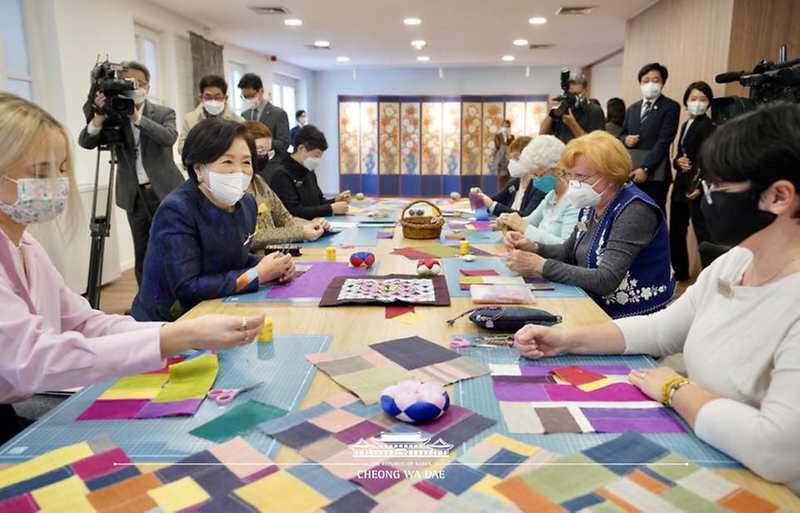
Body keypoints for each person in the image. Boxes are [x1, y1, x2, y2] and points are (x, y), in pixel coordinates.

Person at [512, 103, 800, 489]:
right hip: (707, 445)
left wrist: (673, 389)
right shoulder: (733, 263)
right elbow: (663, 329)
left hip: (763, 484)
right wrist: (564, 339)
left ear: (779, 196)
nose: (703, 196)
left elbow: (776, 452)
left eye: (717, 187)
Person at [0, 93, 264, 443]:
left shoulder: (27, 248)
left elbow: (85, 322)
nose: (57, 183)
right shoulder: (179, 207)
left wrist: (175, 336)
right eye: (40, 173)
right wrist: (178, 336)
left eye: (61, 170)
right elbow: (31, 360)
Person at [130, 118, 295, 322]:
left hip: (221, 309)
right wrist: (255, 275)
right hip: (171, 324)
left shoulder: (246, 204)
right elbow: (187, 286)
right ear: (199, 169)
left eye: (246, 162)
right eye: (227, 162)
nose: (239, 171)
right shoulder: (177, 210)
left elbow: (235, 257)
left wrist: (274, 265)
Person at [504, 131, 675, 319]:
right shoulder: (593, 203)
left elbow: (606, 279)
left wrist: (541, 266)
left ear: (611, 174)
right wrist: (534, 247)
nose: (573, 183)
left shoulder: (634, 211)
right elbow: (568, 251)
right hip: (593, 304)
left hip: (631, 319)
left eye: (580, 175)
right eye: (569, 175)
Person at [78, 61, 185, 286]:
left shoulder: (163, 112)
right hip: (133, 194)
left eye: (137, 83)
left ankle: (177, 296)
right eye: (127, 83)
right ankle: (146, 302)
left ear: (147, 86)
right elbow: (86, 141)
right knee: (142, 251)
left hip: (165, 191)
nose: (133, 87)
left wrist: (136, 117)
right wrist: (98, 117)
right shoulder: (112, 114)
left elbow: (168, 137)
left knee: (174, 245)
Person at [241, 121, 330, 247]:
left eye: (268, 152)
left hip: (274, 255)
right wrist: (300, 232)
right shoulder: (234, 188)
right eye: (260, 150)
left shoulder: (258, 182)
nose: (263, 157)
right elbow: (252, 237)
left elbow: (285, 218)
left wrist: (311, 224)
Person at [619, 62, 681, 215]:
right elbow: (621, 134)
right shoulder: (633, 108)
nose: (650, 84)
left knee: (653, 216)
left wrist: (646, 168)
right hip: (631, 173)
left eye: (655, 80)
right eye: (646, 81)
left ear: (663, 82)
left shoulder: (670, 107)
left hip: (655, 175)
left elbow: (664, 141)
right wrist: (625, 139)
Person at [497, 136, 580, 245]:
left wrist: (523, 227)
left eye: (537, 175)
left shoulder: (573, 200)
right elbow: (531, 221)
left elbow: (566, 247)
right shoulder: (551, 195)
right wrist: (509, 221)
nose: (535, 181)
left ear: (557, 170)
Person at [670, 81, 715, 281]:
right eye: (693, 99)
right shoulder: (685, 124)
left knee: (703, 233)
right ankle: (680, 272)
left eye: (703, 99)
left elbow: (710, 159)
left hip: (697, 186)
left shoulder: (709, 126)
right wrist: (677, 161)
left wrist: (701, 186)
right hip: (681, 184)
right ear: (686, 101)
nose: (698, 103)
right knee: (676, 232)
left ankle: (710, 275)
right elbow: (680, 154)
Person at [269, 125, 351, 220]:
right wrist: (331, 209)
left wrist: (335, 201)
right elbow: (293, 212)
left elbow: (318, 202)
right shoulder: (281, 175)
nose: (317, 161)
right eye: (316, 155)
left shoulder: (308, 171)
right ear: (301, 149)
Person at [469, 137, 546, 217]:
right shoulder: (514, 182)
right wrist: (481, 197)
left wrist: (492, 205)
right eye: (510, 158)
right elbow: (496, 201)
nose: (512, 162)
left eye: (516, 158)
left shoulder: (540, 186)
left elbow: (527, 216)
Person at [178, 75, 244, 155]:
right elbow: (182, 147)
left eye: (217, 97)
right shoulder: (190, 119)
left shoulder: (237, 121)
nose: (213, 101)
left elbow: (243, 148)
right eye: (208, 97)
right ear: (201, 98)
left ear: (225, 98)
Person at [539, 73, 606, 145]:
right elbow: (542, 135)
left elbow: (593, 145)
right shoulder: (563, 108)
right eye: (570, 94)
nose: (573, 97)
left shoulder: (594, 111)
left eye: (576, 93)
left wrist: (572, 124)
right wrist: (553, 111)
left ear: (585, 90)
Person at [238, 73, 290, 152]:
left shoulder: (278, 113)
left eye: (251, 96)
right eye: (245, 97)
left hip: (272, 161)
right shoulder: (244, 115)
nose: (249, 100)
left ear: (261, 91)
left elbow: (284, 143)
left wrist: (260, 144)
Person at [492, 119, 515, 189]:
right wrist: (504, 140)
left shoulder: (512, 137)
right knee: (501, 178)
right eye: (504, 126)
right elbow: (497, 145)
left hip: (509, 159)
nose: (506, 128)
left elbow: (512, 146)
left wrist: (508, 138)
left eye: (507, 126)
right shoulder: (498, 136)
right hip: (500, 159)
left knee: (509, 178)